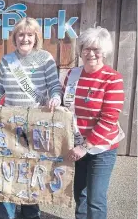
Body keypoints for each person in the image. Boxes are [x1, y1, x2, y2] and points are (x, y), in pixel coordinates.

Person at [0, 17, 62, 219]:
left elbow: (54, 86)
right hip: (11, 124)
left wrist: (56, 98)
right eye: (21, 34)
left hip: (36, 124)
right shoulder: (7, 60)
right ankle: (7, 212)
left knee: (32, 168)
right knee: (9, 167)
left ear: (36, 37)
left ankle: (31, 212)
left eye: (30, 35)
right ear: (15, 38)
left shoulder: (45, 58)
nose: (25, 39)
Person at [64, 26, 125, 219]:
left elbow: (109, 119)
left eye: (96, 49)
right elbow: (65, 109)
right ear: (80, 51)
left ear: (104, 52)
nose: (91, 53)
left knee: (95, 200)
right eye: (86, 48)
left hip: (101, 149)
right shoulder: (72, 75)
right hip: (77, 144)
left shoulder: (112, 79)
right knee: (79, 195)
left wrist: (85, 146)